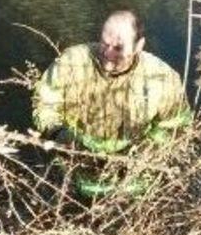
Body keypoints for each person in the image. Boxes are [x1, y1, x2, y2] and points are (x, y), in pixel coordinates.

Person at [32, 11, 190, 194]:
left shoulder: (161, 78)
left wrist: (146, 151)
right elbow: (45, 103)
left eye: (118, 48)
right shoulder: (71, 62)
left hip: (133, 181)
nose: (107, 53)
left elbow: (177, 127)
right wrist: (60, 134)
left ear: (139, 46)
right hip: (76, 168)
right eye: (104, 43)